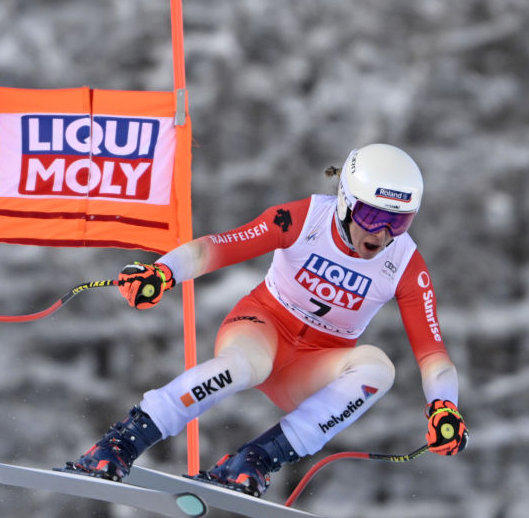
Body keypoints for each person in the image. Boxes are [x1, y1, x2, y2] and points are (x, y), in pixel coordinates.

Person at [65, 143, 468, 497]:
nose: (380, 234)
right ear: (346, 200)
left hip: (313, 365)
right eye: (370, 215)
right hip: (263, 326)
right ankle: (121, 444)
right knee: (245, 367)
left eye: (397, 221)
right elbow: (216, 248)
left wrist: (443, 407)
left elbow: (433, 353)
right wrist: (163, 272)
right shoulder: (303, 219)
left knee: (378, 368)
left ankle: (256, 459)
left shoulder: (404, 264)